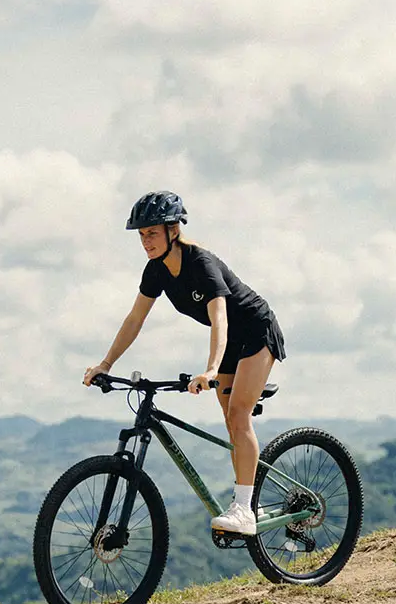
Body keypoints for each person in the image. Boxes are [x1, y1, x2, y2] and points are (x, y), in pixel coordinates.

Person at [82, 191, 286, 536]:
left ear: (172, 230)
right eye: (141, 235)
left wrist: (210, 369)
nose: (145, 241)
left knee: (238, 415)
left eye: (152, 233)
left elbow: (220, 317)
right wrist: (105, 362)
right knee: (230, 421)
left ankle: (244, 511)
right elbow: (135, 319)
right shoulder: (156, 271)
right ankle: (248, 501)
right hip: (232, 342)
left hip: (256, 330)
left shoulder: (200, 263)